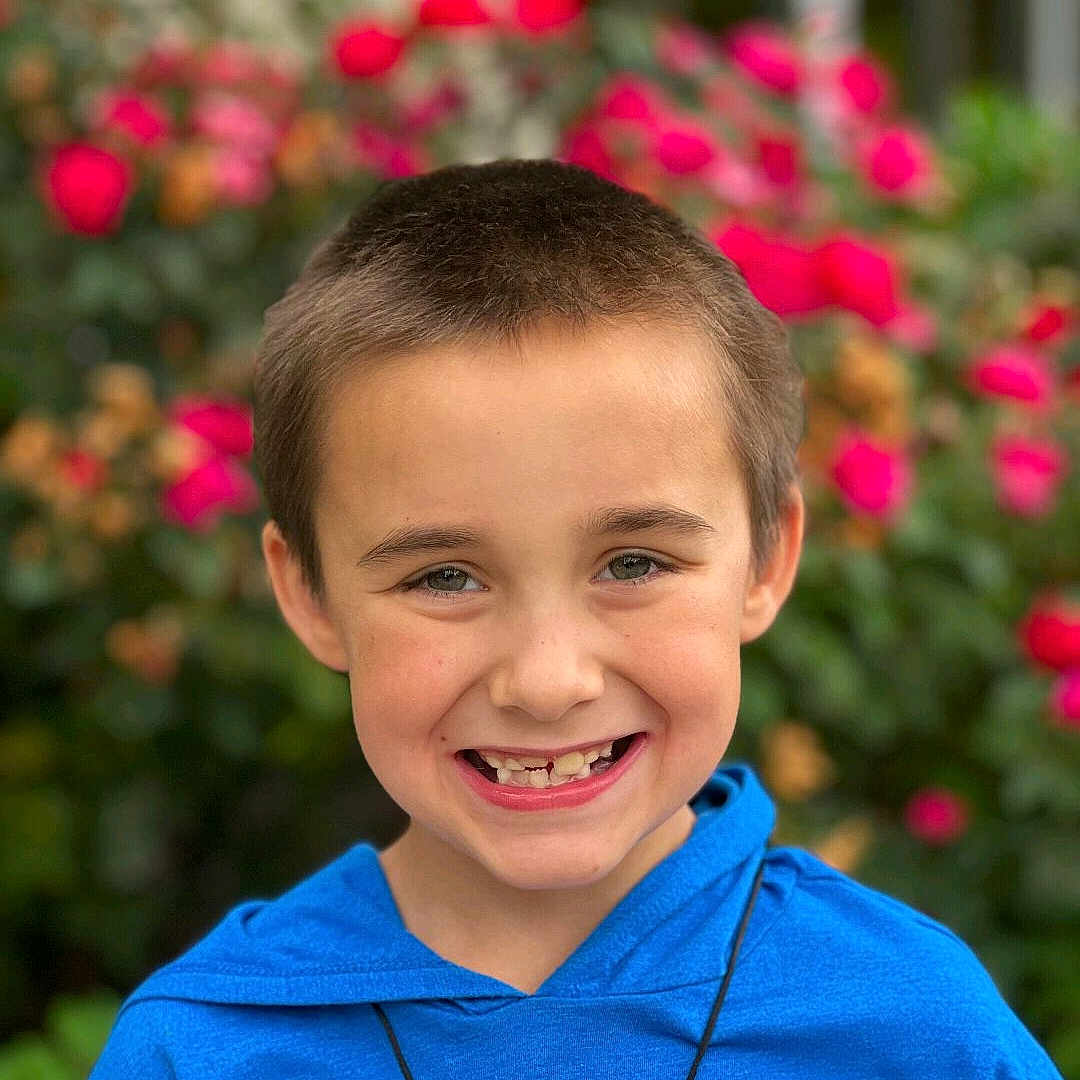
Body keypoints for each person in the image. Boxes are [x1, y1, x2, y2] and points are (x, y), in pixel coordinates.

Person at [90, 158, 1064, 1079]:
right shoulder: (202, 1049)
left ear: (766, 560)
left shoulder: (912, 1028)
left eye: (633, 563)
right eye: (443, 578)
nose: (549, 680)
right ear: (308, 594)